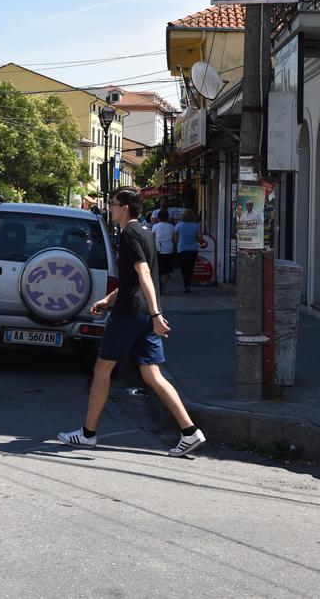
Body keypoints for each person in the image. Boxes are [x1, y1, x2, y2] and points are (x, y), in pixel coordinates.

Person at [58, 186, 206, 458]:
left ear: (125, 207)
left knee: (102, 370)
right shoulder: (147, 232)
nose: (110, 208)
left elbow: (144, 272)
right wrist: (109, 299)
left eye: (113, 204)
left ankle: (87, 434)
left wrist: (155, 315)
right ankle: (190, 431)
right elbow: (133, 280)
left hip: (131, 314)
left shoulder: (128, 234)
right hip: (140, 312)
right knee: (151, 374)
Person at [175, 208, 201, 293]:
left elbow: (175, 238)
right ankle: (187, 284)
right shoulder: (196, 225)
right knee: (190, 267)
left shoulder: (178, 225)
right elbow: (199, 238)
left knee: (183, 267)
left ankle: (186, 283)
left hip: (182, 249)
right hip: (193, 249)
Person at [152, 208, 176, 294]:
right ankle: (164, 288)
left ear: (158, 218)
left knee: (157, 268)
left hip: (157, 248)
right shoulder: (172, 226)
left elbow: (152, 238)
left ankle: (158, 286)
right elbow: (175, 239)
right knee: (166, 270)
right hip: (168, 248)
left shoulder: (155, 226)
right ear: (167, 217)